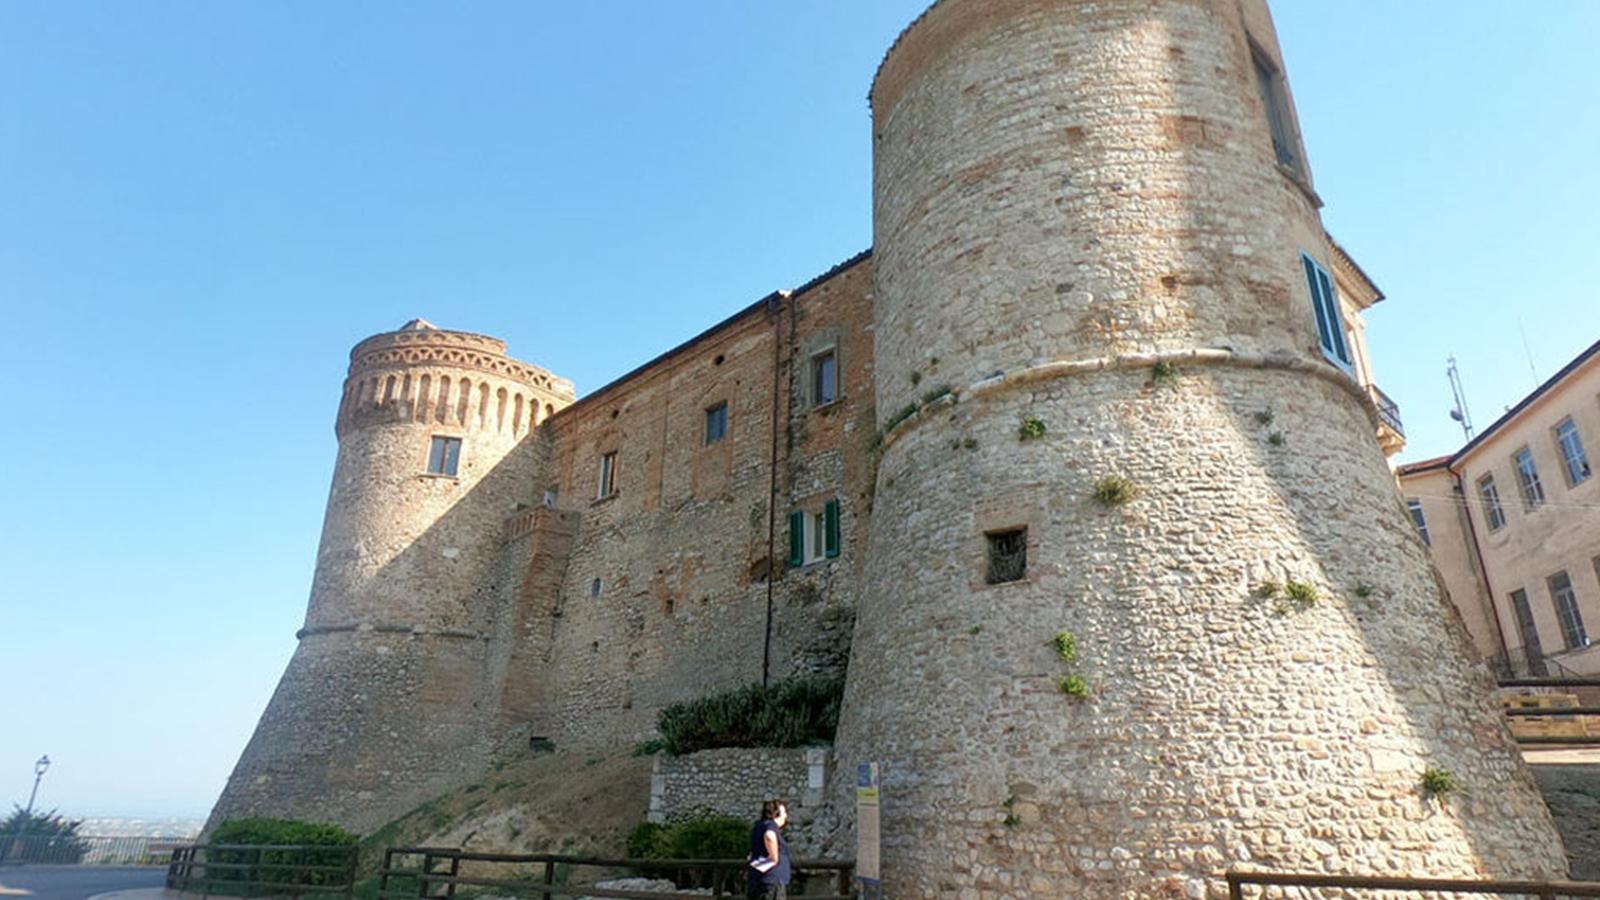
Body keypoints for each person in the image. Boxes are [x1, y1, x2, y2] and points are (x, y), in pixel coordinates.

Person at [746, 798, 791, 899]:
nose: (785, 816)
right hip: (771, 882)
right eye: (784, 813)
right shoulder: (771, 826)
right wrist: (774, 857)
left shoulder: (758, 826)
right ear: (776, 814)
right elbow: (769, 835)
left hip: (758, 879)